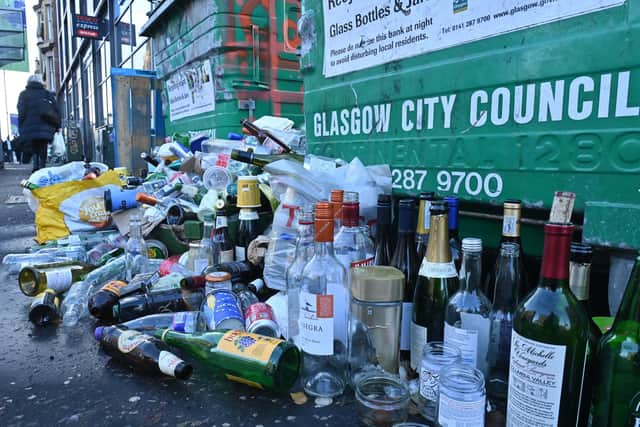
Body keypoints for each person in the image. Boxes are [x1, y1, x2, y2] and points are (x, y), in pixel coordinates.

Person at [17, 74, 61, 172]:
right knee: (43, 145)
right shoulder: (47, 94)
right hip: (46, 126)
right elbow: (55, 110)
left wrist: (21, 125)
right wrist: (58, 125)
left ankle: (36, 165)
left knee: (34, 145)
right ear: (41, 82)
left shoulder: (24, 94)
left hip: (29, 126)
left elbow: (21, 111)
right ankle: (42, 165)